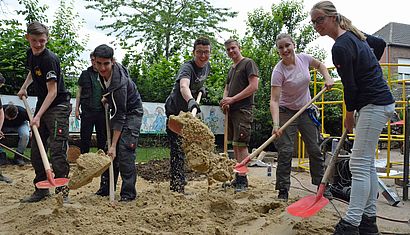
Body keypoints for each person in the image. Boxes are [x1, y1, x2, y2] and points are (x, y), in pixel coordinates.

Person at [310, 2, 395, 234]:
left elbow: (350, 87)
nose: (316, 25)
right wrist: (366, 68)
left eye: (319, 20)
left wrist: (348, 116)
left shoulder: (341, 46)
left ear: (333, 17)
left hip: (373, 104)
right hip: (380, 102)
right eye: (313, 22)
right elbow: (378, 45)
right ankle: (368, 221)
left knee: (358, 164)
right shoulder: (355, 36)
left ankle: (351, 222)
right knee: (366, 164)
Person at [270, 33, 334, 201]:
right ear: (278, 51)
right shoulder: (278, 71)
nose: (285, 50)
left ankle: (321, 186)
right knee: (286, 151)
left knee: (314, 148)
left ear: (294, 45)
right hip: (285, 111)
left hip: (306, 109)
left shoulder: (304, 59)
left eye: (287, 45)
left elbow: (320, 65)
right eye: (281, 48)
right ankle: (283, 190)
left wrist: (327, 77)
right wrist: (276, 124)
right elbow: (274, 100)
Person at [18, 21, 71, 203]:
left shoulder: (49, 59)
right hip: (43, 103)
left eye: (42, 41)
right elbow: (33, 72)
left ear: (46, 39)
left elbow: (53, 91)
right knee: (36, 151)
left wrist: (38, 116)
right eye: (34, 40)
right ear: (28, 38)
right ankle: (41, 190)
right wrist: (24, 87)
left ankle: (62, 193)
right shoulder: (31, 55)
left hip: (58, 106)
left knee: (57, 150)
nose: (38, 44)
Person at [93, 44, 143, 202]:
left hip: (132, 112)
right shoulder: (100, 73)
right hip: (119, 109)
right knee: (109, 150)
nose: (102, 68)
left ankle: (128, 194)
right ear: (94, 61)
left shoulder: (119, 83)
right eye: (99, 63)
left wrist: (114, 145)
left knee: (124, 149)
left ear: (113, 61)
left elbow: (120, 115)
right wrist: (107, 97)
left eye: (106, 64)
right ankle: (107, 188)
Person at [165, 37, 211, 194]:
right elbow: (184, 85)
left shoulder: (207, 66)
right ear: (194, 52)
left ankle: (180, 180)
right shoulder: (187, 67)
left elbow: (196, 83)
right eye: (199, 52)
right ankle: (177, 186)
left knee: (186, 147)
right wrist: (191, 100)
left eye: (206, 52)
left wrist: (201, 89)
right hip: (175, 112)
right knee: (177, 147)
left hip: (188, 113)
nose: (203, 56)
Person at [220, 39, 259, 192]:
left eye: (233, 48)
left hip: (243, 109)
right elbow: (227, 88)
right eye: (228, 49)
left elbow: (254, 86)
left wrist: (233, 99)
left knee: (242, 145)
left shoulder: (248, 63)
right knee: (235, 145)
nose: (231, 51)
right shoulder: (231, 69)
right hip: (232, 110)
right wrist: (225, 101)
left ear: (239, 47)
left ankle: (243, 180)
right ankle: (238, 177)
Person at [75, 52, 106, 154]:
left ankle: (101, 162)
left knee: (102, 137)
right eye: (92, 60)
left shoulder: (105, 74)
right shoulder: (85, 74)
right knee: (85, 137)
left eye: (95, 60)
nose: (94, 63)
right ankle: (84, 160)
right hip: (87, 110)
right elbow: (79, 92)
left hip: (101, 111)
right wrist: (76, 109)